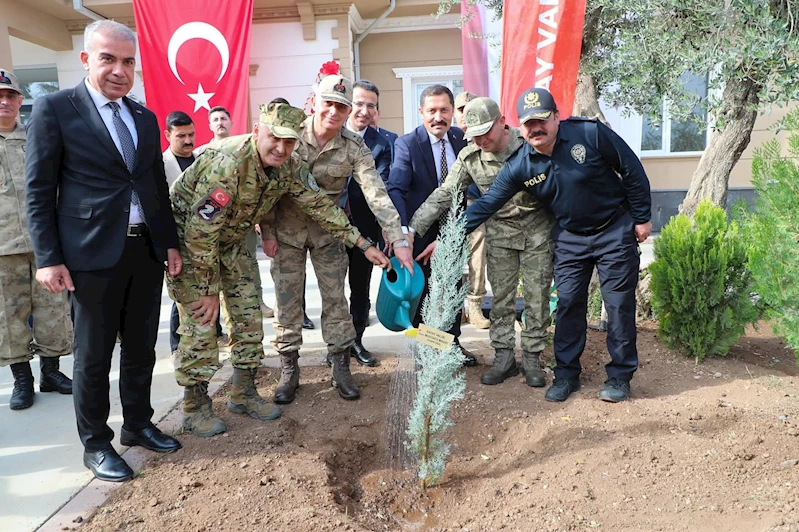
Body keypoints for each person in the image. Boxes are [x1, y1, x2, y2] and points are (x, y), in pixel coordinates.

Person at [169, 102, 388, 436]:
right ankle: (195, 408)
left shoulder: (289, 166)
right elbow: (200, 233)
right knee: (202, 322)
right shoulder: (226, 164)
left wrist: (363, 245)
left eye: (289, 142)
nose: (281, 148)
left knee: (248, 316)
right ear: (258, 131)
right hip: (192, 246)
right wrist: (209, 290)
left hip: (231, 241)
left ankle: (243, 392)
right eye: (275, 138)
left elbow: (320, 207)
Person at [25, 20, 183, 483]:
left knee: (141, 348)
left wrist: (168, 242)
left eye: (128, 61)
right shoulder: (56, 109)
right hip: (89, 257)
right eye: (108, 58)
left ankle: (137, 424)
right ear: (86, 60)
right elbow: (39, 191)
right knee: (93, 356)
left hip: (144, 252)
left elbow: (154, 185)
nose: (119, 69)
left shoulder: (143, 117)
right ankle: (96, 444)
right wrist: (48, 257)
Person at [463, 88, 652, 403]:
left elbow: (631, 169)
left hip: (613, 230)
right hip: (570, 238)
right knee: (567, 306)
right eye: (528, 123)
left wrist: (642, 217)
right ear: (520, 127)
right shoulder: (521, 164)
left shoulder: (589, 134)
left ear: (556, 117)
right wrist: (450, 235)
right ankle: (566, 376)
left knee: (618, 307)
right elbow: (488, 203)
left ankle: (619, 377)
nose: (535, 128)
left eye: (541, 120)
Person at [261, 75, 412, 405]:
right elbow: (267, 185)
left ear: (348, 112)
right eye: (328, 102)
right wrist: (268, 232)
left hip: (329, 232)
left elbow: (376, 192)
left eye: (341, 106)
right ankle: (289, 369)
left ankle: (341, 366)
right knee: (287, 303)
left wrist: (397, 239)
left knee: (335, 302)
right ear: (314, 101)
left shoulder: (354, 146)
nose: (333, 111)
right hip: (286, 232)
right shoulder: (291, 134)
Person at [411, 97, 554, 387]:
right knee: (501, 298)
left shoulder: (528, 143)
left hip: (537, 232)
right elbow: (445, 194)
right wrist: (412, 229)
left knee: (537, 298)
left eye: (486, 131)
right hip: (500, 235)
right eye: (474, 134)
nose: (481, 139)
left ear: (502, 122)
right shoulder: (469, 156)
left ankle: (532, 357)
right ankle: (503, 357)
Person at [387, 84, 476, 366]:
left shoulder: (463, 140)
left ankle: (451, 344)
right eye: (432, 111)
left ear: (452, 111)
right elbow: (397, 189)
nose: (438, 117)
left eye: (444, 110)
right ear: (421, 112)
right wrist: (404, 233)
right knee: (423, 294)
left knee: (451, 289)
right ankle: (427, 350)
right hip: (419, 233)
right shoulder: (407, 144)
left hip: (454, 229)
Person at [0, 68, 73, 411]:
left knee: (52, 310)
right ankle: (22, 380)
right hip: (3, 248)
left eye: (10, 96)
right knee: (9, 316)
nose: (5, 102)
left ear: (19, 101)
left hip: (44, 243)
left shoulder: (35, 138)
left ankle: (51, 372)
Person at [197, 105, 276, 320]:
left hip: (242, 224)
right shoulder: (205, 154)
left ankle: (257, 301)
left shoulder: (251, 153)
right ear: (209, 125)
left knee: (249, 263)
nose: (220, 122)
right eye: (216, 119)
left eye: (224, 118)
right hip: (211, 228)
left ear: (231, 122)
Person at [339, 79, 393, 367]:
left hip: (364, 229)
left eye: (370, 105)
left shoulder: (383, 144)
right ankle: (336, 346)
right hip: (330, 228)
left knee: (360, 290)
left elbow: (381, 184)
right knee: (333, 291)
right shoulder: (331, 134)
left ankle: (356, 341)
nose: (364, 110)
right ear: (349, 104)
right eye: (359, 103)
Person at [453, 91, 490, 329]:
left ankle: (475, 305)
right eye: (460, 109)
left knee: (478, 254)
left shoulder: (485, 135)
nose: (465, 114)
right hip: (449, 207)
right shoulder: (451, 136)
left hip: (477, 205)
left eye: (470, 108)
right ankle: (456, 310)